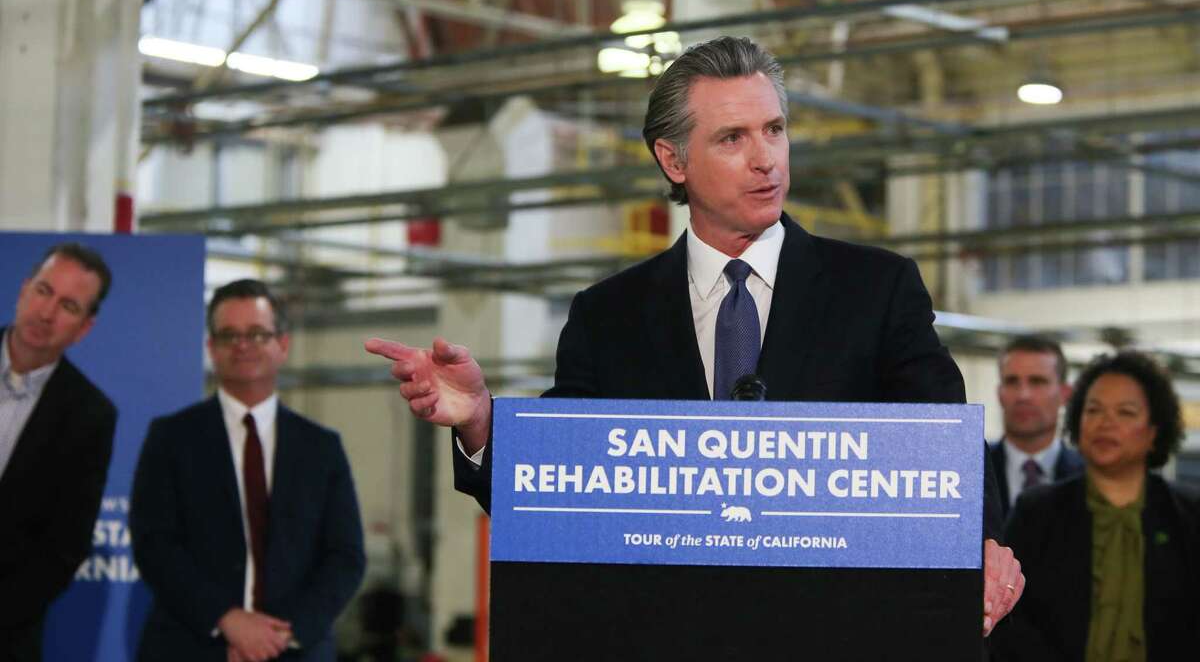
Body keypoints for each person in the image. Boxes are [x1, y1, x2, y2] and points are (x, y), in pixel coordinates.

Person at [365, 35, 1024, 636]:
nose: (766, 158)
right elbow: (562, 493)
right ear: (672, 158)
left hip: (837, 633)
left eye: (775, 129)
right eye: (733, 138)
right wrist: (481, 422)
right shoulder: (607, 316)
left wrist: (985, 546)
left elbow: (949, 451)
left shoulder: (877, 290)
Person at [131, 279, 365, 662]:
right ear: (211, 347)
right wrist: (228, 620)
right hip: (191, 646)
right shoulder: (171, 438)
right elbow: (155, 544)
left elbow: (345, 556)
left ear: (283, 345)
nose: (243, 346)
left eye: (257, 334)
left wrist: (280, 636)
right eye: (229, 335)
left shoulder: (321, 447)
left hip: (295, 649)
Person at [993, 351, 1200, 661]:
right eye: (1094, 410)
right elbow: (1010, 621)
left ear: (1154, 431)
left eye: (1125, 412)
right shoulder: (1036, 511)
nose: (1106, 423)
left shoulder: (1188, 514)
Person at [0, 243, 118, 662]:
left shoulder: (91, 415)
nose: (46, 313)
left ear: (84, 328)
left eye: (68, 305)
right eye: (43, 291)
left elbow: (63, 547)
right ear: (22, 290)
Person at [990, 335, 1084, 520]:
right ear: (1000, 393)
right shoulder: (971, 472)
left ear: (1064, 394)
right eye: (1012, 381)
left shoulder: (1090, 477)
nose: (1023, 395)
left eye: (1037, 382)